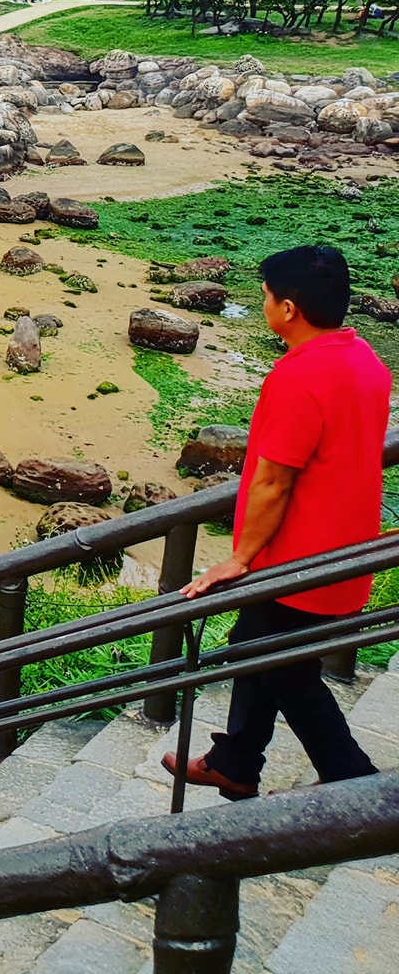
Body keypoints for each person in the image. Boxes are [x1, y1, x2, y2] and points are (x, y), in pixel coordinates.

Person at [169, 246, 385, 801]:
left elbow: (272, 481)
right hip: (351, 546)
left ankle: (353, 782)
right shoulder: (367, 362)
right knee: (265, 649)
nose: (261, 302)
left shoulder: (300, 377)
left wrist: (239, 557)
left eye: (264, 295)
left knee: (266, 656)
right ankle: (235, 762)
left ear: (288, 309)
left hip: (297, 554)